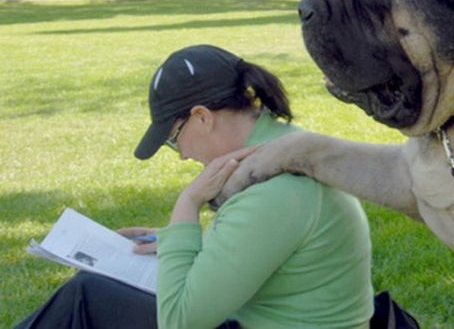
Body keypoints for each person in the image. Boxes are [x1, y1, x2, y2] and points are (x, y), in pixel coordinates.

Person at [15, 44, 375, 328]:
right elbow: (259, 247)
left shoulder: (274, 190)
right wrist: (176, 242)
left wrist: (187, 204)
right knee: (98, 291)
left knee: (86, 297)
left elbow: (181, 321)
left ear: (202, 117)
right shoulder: (282, 149)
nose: (182, 156)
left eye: (174, 139)